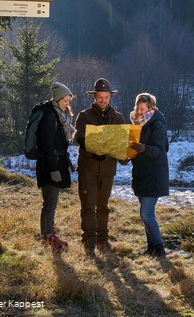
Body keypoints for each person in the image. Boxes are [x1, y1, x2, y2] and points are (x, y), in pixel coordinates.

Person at [74, 78, 126, 256]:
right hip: (88, 167)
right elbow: (78, 136)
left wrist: (126, 155)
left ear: (110, 97)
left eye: (106, 97)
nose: (103, 100)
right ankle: (88, 241)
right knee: (88, 205)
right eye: (100, 97)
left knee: (102, 206)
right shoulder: (84, 115)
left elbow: (121, 143)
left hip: (108, 169)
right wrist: (91, 145)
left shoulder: (117, 117)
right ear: (94, 96)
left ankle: (102, 240)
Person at [127, 92, 169, 258]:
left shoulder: (157, 124)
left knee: (146, 213)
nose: (138, 111)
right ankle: (151, 247)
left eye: (142, 108)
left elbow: (160, 150)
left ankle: (159, 248)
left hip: (154, 174)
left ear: (150, 108)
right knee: (146, 215)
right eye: (137, 107)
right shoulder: (138, 125)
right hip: (140, 173)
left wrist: (143, 148)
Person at [36, 82, 76, 254]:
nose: (68, 104)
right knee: (49, 203)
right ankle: (47, 237)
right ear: (58, 99)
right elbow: (47, 145)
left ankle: (50, 233)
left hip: (57, 163)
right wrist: (54, 170)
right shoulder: (50, 117)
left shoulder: (59, 115)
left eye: (69, 101)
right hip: (49, 165)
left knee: (52, 202)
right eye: (65, 101)